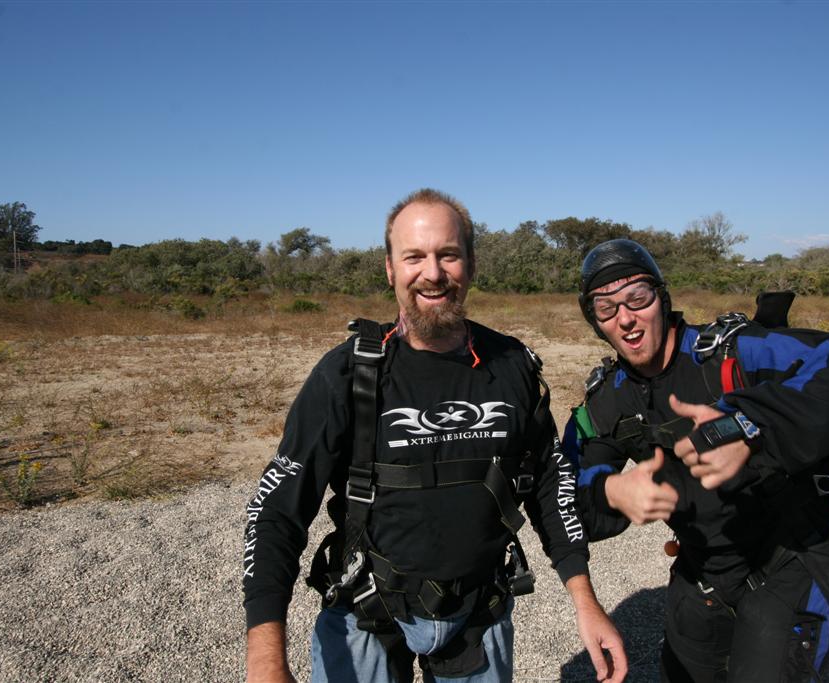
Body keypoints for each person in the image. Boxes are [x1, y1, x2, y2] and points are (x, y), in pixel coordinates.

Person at [243, 189, 627, 683]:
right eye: (414, 257)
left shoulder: (511, 365)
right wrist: (266, 659)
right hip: (366, 611)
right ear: (390, 269)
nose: (433, 272)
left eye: (448, 254)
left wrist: (585, 601)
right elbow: (276, 511)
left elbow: (550, 487)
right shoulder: (348, 374)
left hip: (479, 611)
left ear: (471, 264)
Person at [565, 239, 829, 682]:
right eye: (605, 308)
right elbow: (564, 492)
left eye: (637, 297)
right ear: (595, 322)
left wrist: (746, 425)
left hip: (795, 550)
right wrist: (610, 490)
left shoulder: (729, 352)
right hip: (706, 566)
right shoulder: (609, 399)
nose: (625, 318)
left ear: (662, 298)